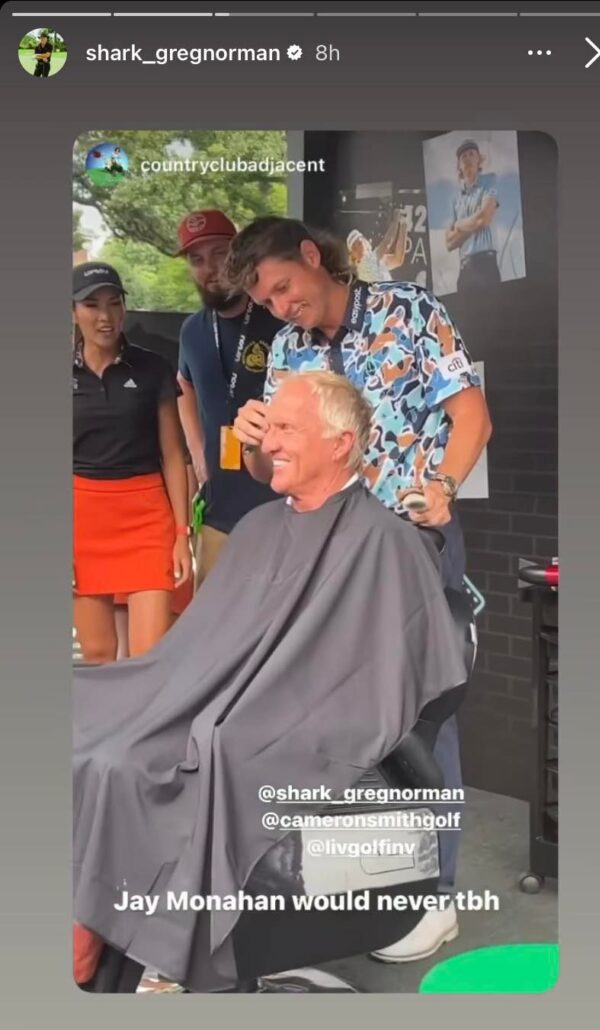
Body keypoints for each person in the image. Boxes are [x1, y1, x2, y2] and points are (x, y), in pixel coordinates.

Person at [73, 372, 467, 993]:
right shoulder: (258, 528)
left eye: (286, 429)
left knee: (198, 748)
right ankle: (104, 923)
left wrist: (242, 711)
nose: (268, 444)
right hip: (220, 696)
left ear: (340, 443)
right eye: (269, 428)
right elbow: (207, 647)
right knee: (96, 733)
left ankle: (143, 941)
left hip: (299, 723)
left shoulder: (385, 541)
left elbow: (388, 675)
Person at [227, 216, 492, 961]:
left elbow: (471, 416)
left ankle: (435, 896)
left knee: (422, 719)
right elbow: (269, 473)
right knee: (337, 723)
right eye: (266, 301)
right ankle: (361, 884)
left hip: (410, 542)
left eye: (284, 287)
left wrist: (443, 486)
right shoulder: (288, 350)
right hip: (326, 557)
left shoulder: (409, 311)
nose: (281, 307)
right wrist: (253, 441)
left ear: (313, 257)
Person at [73, 262, 192, 664]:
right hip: (81, 517)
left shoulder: (153, 367)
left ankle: (148, 713)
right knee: (98, 653)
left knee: (149, 654)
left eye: (114, 303)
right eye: (91, 305)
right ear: (72, 312)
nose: (105, 316)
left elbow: (173, 455)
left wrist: (181, 534)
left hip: (146, 516)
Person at [175, 209, 282, 589]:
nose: (210, 268)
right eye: (197, 259)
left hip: (277, 509)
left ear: (238, 253)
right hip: (218, 511)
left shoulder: (278, 317)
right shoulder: (192, 331)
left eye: (220, 253)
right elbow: (183, 384)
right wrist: (197, 451)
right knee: (213, 616)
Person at [445, 139, 501, 295]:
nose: (468, 158)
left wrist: (459, 225)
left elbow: (484, 219)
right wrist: (475, 221)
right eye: (463, 156)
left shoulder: (490, 180)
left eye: (471, 154)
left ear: (479, 159)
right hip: (465, 271)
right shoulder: (455, 198)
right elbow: (449, 242)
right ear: (459, 165)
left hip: (486, 265)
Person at [347, 208, 408, 282]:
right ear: (352, 256)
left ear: (365, 242)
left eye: (360, 243)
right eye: (354, 248)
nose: (358, 249)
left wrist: (403, 224)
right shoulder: (365, 263)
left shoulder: (375, 260)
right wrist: (396, 220)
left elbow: (398, 259)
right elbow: (387, 243)